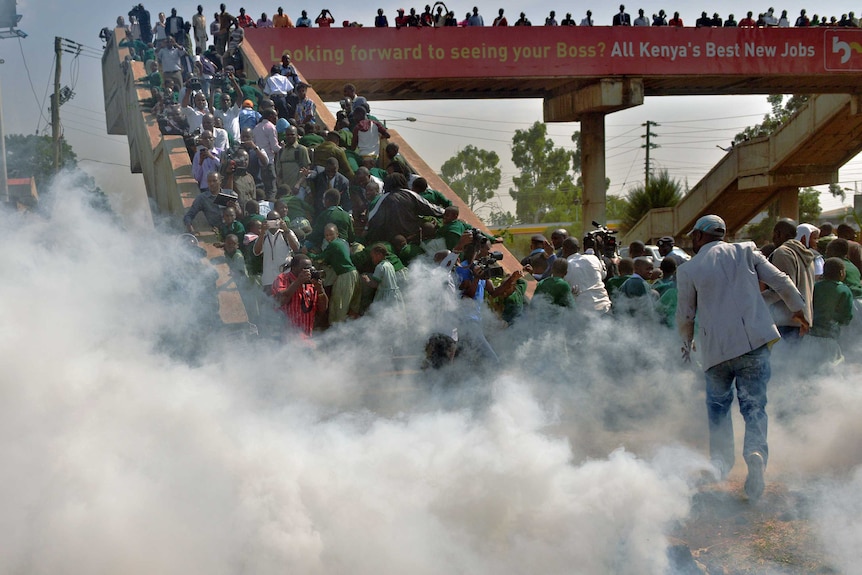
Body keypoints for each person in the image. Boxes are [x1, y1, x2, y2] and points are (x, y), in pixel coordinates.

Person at [676, 215, 808, 502]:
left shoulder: (689, 269)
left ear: (699, 237)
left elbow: (685, 315)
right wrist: (798, 309)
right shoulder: (746, 250)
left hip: (716, 352)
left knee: (718, 408)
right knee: (754, 406)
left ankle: (721, 465)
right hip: (753, 344)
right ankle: (755, 453)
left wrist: (686, 345)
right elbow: (782, 281)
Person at [764, 218, 815, 341]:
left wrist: (757, 300)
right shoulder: (805, 253)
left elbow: (782, 289)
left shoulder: (783, 253)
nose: (773, 238)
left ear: (779, 234)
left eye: (774, 234)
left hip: (786, 321)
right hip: (802, 320)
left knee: (778, 359)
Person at [366, 174, 444, 243]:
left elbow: (373, 220)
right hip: (413, 237)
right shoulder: (410, 194)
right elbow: (432, 209)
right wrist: (446, 212)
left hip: (391, 240)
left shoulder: (382, 199)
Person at [310, 223, 359, 324]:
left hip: (345, 276)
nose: (329, 237)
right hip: (354, 274)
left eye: (331, 234)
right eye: (326, 235)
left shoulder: (333, 245)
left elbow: (320, 259)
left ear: (337, 233)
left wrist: (307, 253)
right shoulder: (343, 243)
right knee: (353, 306)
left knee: (338, 306)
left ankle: (335, 332)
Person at [272, 254, 328, 340]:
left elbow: (323, 308)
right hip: (285, 336)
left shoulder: (311, 283)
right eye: (305, 268)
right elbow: (280, 300)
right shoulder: (282, 279)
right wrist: (298, 281)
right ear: (294, 268)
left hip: (306, 336)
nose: (309, 271)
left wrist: (320, 290)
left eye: (310, 268)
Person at [254, 210, 300, 294]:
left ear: (280, 220)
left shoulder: (286, 233)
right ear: (266, 221)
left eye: (276, 220)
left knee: (284, 304)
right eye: (270, 220)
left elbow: (296, 248)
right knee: (269, 305)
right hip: (268, 279)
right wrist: (262, 233)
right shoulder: (263, 235)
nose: (273, 222)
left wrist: (286, 229)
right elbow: (257, 252)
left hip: (285, 277)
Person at [562, 237, 611, 313]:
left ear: (564, 250)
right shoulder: (593, 258)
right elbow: (603, 275)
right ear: (579, 248)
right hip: (604, 305)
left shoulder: (565, 266)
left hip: (584, 311)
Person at [362, 243, 406, 311]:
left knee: (381, 314)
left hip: (385, 296)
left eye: (373, 257)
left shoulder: (380, 267)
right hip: (395, 294)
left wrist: (367, 280)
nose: (372, 259)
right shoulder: (389, 264)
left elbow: (375, 284)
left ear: (379, 255)